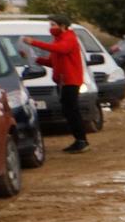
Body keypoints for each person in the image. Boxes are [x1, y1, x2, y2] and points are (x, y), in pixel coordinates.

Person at [25, 13, 88, 153]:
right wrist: (35, 59)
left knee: (71, 111)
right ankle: (80, 139)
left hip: (70, 81)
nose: (51, 28)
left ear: (63, 26)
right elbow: (53, 61)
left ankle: (81, 140)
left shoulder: (69, 38)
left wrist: (34, 42)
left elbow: (61, 49)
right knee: (69, 111)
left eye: (53, 25)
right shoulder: (58, 40)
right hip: (62, 81)